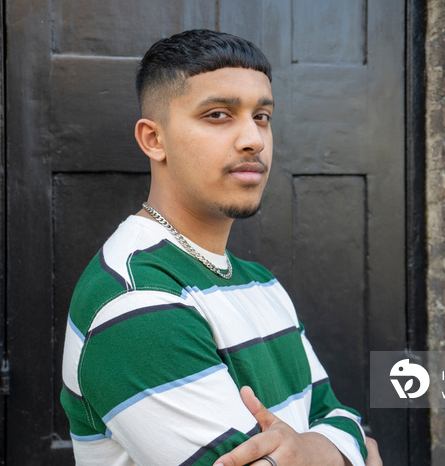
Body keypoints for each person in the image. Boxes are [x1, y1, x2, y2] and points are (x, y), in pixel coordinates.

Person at [60, 29, 381, 466]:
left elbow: (343, 419)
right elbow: (356, 447)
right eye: (218, 115)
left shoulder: (260, 284)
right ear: (154, 139)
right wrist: (340, 453)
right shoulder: (137, 298)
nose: (254, 139)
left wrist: (315, 450)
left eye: (262, 116)